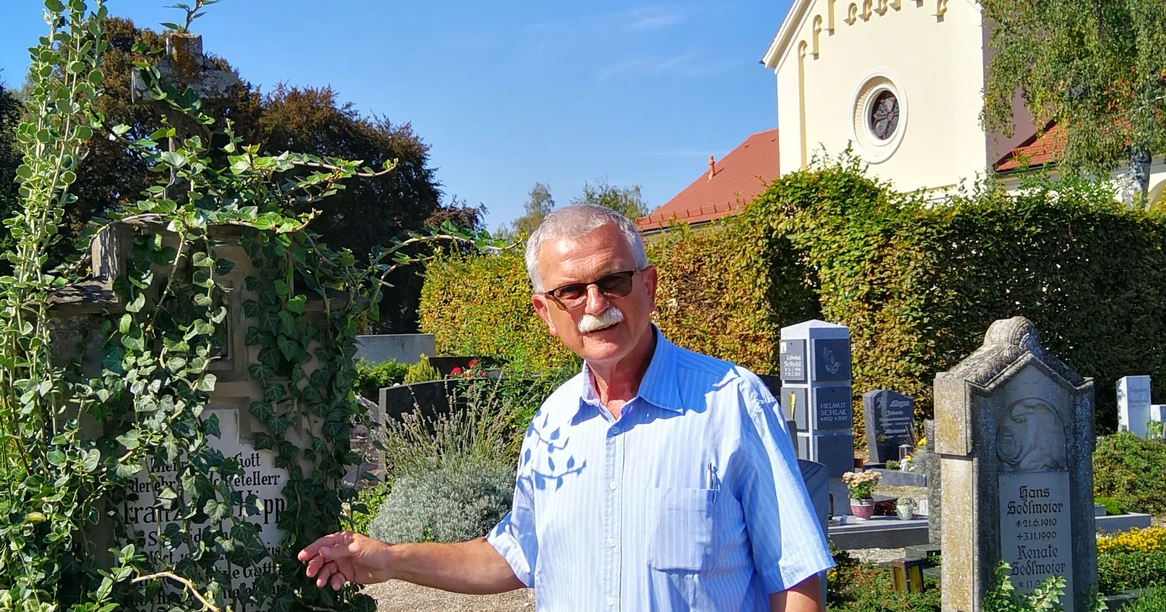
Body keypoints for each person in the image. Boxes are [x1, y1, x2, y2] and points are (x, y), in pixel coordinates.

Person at [299, 205, 833, 611]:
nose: (596, 305)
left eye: (613, 281)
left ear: (648, 286)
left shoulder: (731, 403)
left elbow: (795, 577)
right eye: (571, 291)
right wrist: (389, 559)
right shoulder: (553, 423)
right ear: (545, 312)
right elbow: (514, 555)